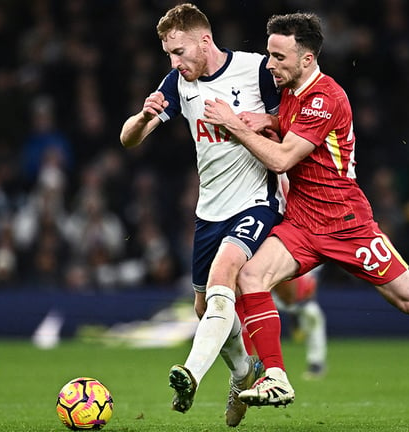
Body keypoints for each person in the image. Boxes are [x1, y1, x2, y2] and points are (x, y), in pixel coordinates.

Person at [202, 12, 409, 409]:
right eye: (269, 54)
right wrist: (270, 119)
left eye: (278, 57)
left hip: (347, 224)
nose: (269, 64)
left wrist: (234, 124)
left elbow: (283, 159)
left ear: (307, 59)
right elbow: (292, 131)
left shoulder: (327, 97)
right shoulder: (288, 90)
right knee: (251, 275)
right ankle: (276, 376)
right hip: (303, 223)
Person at [119, 3, 284, 427]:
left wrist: (257, 120)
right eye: (168, 55)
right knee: (202, 305)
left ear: (204, 41)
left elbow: (291, 121)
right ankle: (243, 372)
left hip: (256, 200)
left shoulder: (256, 70)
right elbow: (128, 139)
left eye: (178, 52)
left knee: (224, 275)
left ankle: (190, 373)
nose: (173, 63)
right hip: (209, 211)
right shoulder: (178, 83)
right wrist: (144, 115)